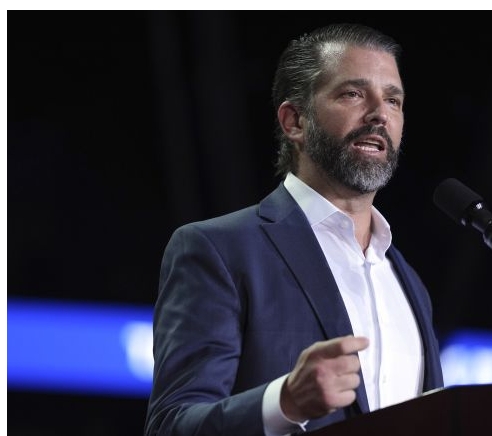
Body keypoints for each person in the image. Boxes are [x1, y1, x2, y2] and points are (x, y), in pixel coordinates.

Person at [144, 22, 444, 436]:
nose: (379, 113)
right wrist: (284, 402)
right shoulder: (218, 250)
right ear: (294, 121)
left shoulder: (407, 281)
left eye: (393, 100)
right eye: (353, 94)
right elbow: (171, 425)